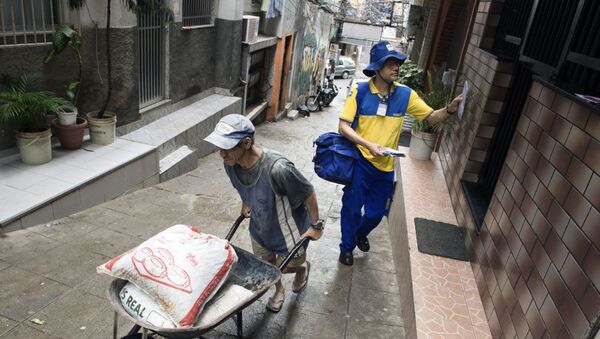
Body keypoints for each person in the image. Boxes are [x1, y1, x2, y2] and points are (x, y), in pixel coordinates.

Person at [337, 41, 462, 266]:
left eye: (398, 63)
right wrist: (368, 144)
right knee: (352, 208)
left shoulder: (405, 95)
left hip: (385, 168)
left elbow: (432, 117)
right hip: (361, 163)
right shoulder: (361, 91)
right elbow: (343, 127)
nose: (396, 67)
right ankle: (346, 248)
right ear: (377, 67)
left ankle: (359, 234)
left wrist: (450, 109)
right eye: (390, 63)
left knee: (375, 214)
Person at [204, 114, 324, 312]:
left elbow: (308, 192)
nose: (221, 154)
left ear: (246, 143)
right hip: (260, 228)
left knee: (284, 266)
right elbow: (243, 187)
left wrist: (316, 225)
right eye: (220, 148)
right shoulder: (230, 165)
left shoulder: (278, 168)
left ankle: (301, 268)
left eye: (227, 148)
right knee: (266, 267)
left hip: (288, 232)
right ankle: (279, 290)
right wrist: (246, 203)